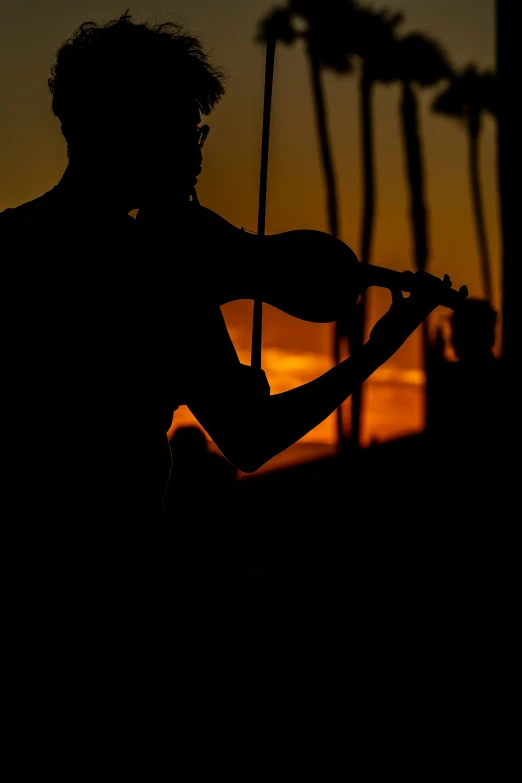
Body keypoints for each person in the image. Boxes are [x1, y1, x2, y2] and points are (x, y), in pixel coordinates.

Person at [0, 10, 460, 530]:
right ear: (130, 129)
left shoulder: (8, 242)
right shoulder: (160, 270)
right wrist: (376, 350)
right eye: (182, 133)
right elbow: (250, 439)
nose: (195, 158)